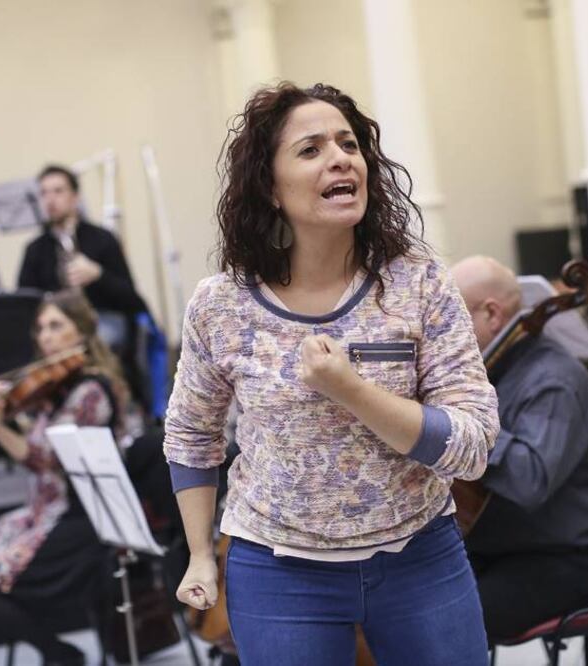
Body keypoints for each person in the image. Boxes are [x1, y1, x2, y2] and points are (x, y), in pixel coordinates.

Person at [163, 82, 500, 666]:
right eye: (311, 149)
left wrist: (350, 390)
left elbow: (471, 447)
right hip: (277, 574)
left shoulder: (418, 284)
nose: (341, 157)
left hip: (420, 559)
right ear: (270, 187)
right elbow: (191, 434)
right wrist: (198, 553)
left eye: (349, 143)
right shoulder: (220, 305)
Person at [0, 291, 135, 666]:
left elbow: (42, 457)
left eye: (56, 326)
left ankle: (59, 654)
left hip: (80, 521)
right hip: (41, 513)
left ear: (83, 332)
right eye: (41, 328)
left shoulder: (90, 391)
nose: (45, 336)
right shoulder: (55, 388)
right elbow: (22, 414)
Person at [450, 255, 588, 642]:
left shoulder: (555, 380)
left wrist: (464, 427)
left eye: (451, 320)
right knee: (397, 604)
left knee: (444, 627)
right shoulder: (486, 377)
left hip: (561, 560)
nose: (441, 334)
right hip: (497, 550)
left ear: (491, 314)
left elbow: (529, 478)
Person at [17, 165, 147, 350]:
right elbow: (24, 301)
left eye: (58, 191)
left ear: (75, 197)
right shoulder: (35, 249)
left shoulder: (103, 238)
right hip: (55, 322)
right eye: (44, 193)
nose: (50, 199)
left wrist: (98, 274)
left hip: (102, 317)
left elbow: (131, 298)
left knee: (98, 340)